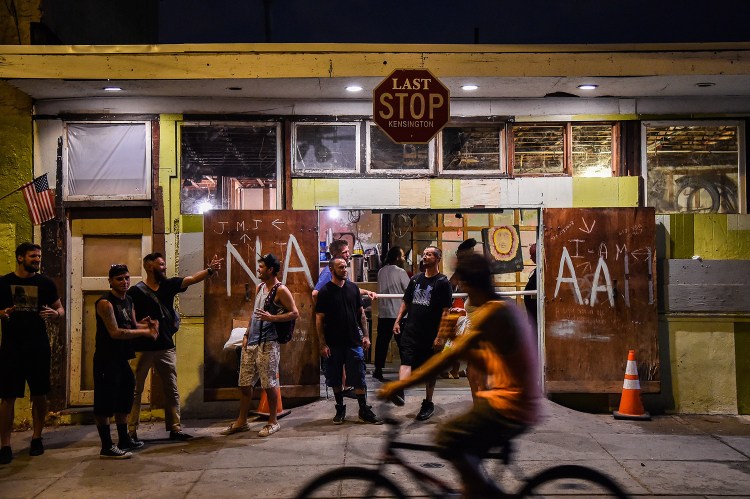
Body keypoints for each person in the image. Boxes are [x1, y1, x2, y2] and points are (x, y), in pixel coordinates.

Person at [379, 252, 541, 498]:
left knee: (447, 436)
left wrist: (399, 385)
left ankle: (481, 494)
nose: (461, 288)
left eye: (463, 283)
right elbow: (479, 356)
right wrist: (453, 336)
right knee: (465, 448)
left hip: (511, 405)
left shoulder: (494, 312)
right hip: (510, 399)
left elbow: (450, 358)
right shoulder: (499, 307)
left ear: (472, 284)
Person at [127, 251, 223, 442]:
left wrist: (210, 270)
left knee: (171, 388)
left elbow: (192, 279)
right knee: (135, 390)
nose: (164, 267)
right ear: (149, 266)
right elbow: (129, 318)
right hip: (141, 348)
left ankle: (175, 429)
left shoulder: (168, 285)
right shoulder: (135, 292)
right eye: (161, 264)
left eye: (164, 264)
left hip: (165, 346)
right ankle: (131, 431)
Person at [0, 242, 65, 465]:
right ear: (20, 258)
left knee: (39, 393)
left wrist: (54, 313)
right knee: (7, 397)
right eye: (32, 257)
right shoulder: (4, 282)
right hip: (11, 347)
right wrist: (2, 313)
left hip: (38, 346)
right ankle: (5, 445)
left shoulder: (45, 283)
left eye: (38, 256)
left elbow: (60, 309)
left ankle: (37, 438)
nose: (37, 260)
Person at [221, 254, 298, 438]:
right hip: (252, 341)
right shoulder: (260, 287)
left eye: (261, 267)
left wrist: (272, 318)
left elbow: (294, 313)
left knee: (269, 384)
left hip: (268, 343)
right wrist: (247, 333)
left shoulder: (281, 290)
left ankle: (273, 421)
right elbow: (255, 313)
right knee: (245, 383)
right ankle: (242, 421)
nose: (258, 270)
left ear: (271, 270)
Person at [94, 264, 159, 459]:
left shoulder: (129, 300)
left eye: (127, 278)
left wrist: (145, 323)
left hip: (123, 357)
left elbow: (131, 325)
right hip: (107, 358)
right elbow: (116, 332)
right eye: (119, 279)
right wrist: (145, 332)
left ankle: (124, 439)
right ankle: (106, 446)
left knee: (125, 396)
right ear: (110, 281)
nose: (124, 282)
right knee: (104, 403)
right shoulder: (105, 303)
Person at [315, 257, 381, 425]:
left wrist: (365, 336)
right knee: (335, 377)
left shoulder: (353, 289)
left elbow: (362, 315)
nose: (345, 270)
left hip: (353, 341)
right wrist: (322, 343)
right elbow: (319, 320)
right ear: (332, 270)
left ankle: (363, 409)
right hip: (333, 343)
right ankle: (340, 407)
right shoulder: (325, 292)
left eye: (345, 267)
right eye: (341, 267)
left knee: (359, 375)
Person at [392, 246, 452, 421]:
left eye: (429, 254)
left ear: (438, 259)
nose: (425, 257)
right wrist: (397, 320)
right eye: (424, 254)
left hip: (430, 332)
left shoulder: (442, 282)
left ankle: (428, 402)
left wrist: (440, 335)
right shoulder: (416, 280)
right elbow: (406, 302)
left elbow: (446, 311)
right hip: (411, 329)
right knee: (406, 360)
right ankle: (401, 389)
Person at [373, 246, 409, 381]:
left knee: (382, 343)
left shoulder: (381, 271)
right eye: (403, 256)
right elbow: (409, 289)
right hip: (398, 314)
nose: (404, 258)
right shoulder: (400, 272)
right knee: (403, 345)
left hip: (384, 313)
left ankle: (378, 370)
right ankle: (406, 373)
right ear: (397, 257)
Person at [524, 242, 538, 329]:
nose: (530, 257)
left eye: (532, 254)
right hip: (534, 316)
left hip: (538, 317)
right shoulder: (538, 270)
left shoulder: (544, 271)